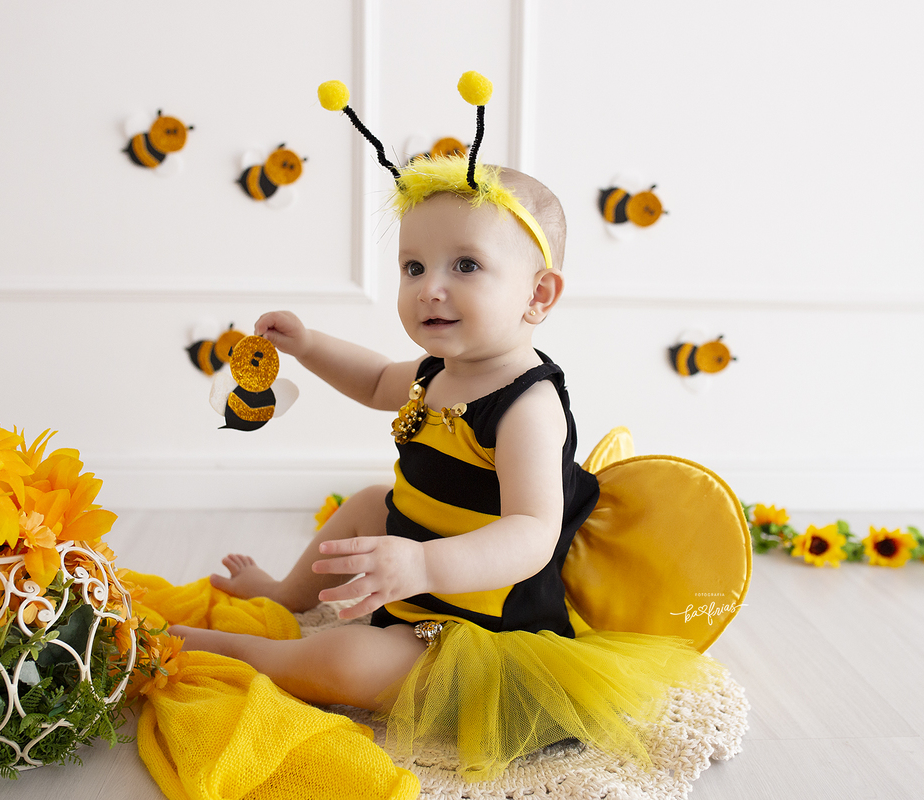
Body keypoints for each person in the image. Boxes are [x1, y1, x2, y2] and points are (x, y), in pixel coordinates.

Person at [170, 155, 720, 780]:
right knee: (368, 502)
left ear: (537, 294)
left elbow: (533, 533)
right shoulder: (437, 370)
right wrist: (310, 345)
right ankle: (284, 594)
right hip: (412, 553)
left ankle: (243, 653)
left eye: (465, 265)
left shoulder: (527, 406)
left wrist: (425, 564)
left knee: (347, 663)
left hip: (474, 615)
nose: (431, 286)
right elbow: (378, 380)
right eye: (414, 267)